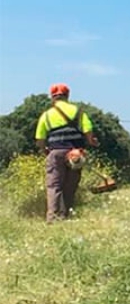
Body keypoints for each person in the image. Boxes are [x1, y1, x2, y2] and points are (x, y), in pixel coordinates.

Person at [35, 83, 98, 223]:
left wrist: (43, 150)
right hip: (75, 154)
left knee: (54, 185)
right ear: (67, 96)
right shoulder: (78, 112)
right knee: (70, 185)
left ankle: (53, 218)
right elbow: (88, 130)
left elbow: (40, 138)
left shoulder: (46, 115)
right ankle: (66, 214)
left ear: (53, 97)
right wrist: (91, 141)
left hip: (55, 152)